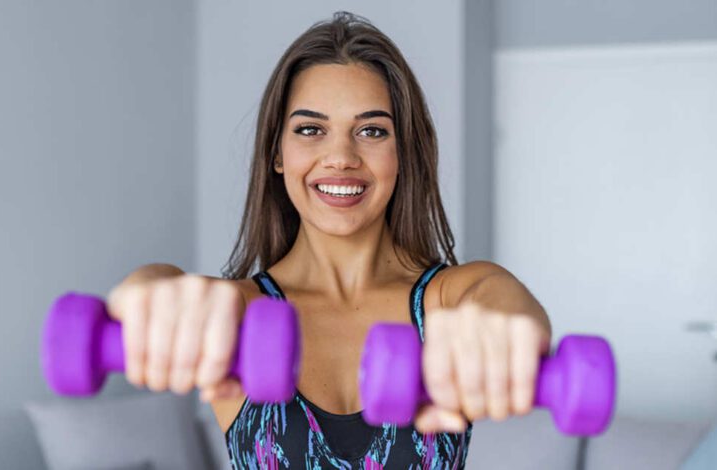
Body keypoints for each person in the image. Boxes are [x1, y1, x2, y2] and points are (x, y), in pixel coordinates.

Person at [106, 11, 552, 469]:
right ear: (277, 153)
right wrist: (150, 287)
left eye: (372, 131)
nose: (340, 157)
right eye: (310, 129)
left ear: (403, 153)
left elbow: (500, 299)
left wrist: (505, 325)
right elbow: (170, 290)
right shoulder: (244, 318)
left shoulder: (446, 302)